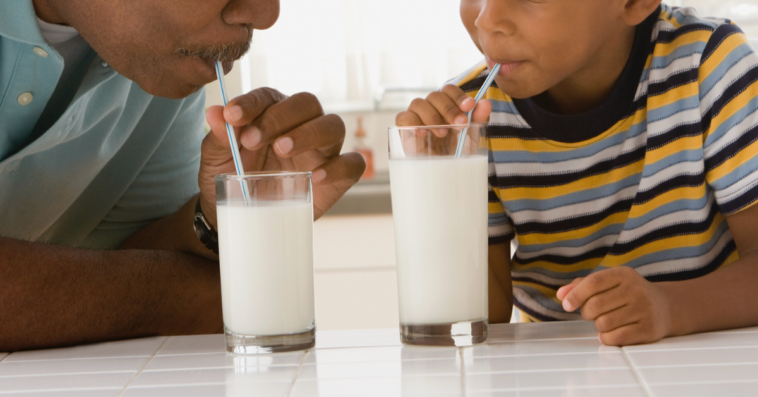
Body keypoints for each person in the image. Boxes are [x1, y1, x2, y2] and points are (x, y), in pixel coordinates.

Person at [0, 0, 364, 352]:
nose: (267, 14)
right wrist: (183, 298)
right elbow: (191, 295)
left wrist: (216, 222)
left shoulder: (156, 69)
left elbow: (133, 257)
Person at [398, 0, 758, 346]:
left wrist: (670, 308)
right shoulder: (475, 117)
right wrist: (442, 182)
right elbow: (484, 314)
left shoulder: (708, 66)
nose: (487, 20)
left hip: (705, 355)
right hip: (557, 368)